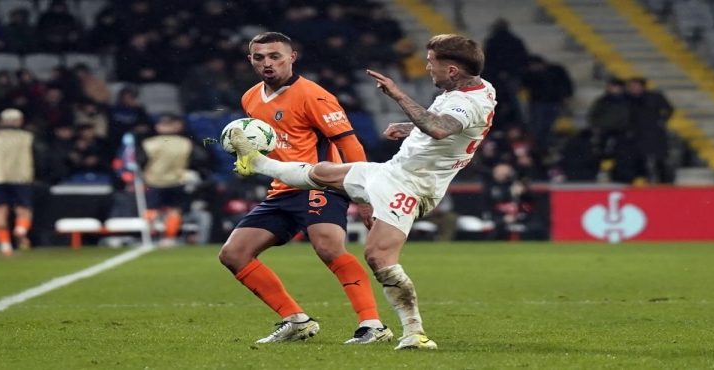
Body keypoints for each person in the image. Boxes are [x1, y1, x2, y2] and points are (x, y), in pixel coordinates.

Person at [230, 34, 496, 350]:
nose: (426, 67)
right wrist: (410, 128)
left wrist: (398, 95)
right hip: (391, 172)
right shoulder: (476, 88)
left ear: (452, 70)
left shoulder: (466, 101)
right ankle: (257, 162)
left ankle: (409, 332)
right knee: (322, 172)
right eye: (259, 57)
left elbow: (440, 127)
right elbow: (452, 128)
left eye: (431, 62)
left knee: (374, 255)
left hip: (413, 186)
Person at [217, 32, 392, 345]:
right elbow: (266, 144)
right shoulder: (250, 98)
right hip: (282, 188)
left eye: (275, 56)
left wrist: (364, 196)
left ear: (291, 57)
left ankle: (373, 325)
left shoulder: (314, 95)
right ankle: (296, 321)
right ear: (250, 61)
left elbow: (348, 143)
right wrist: (249, 159)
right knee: (234, 254)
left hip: (321, 182)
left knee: (327, 246)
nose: (267, 63)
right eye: (260, 57)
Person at [139, 115, 209, 247]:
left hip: (154, 181)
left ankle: (149, 236)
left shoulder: (149, 143)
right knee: (175, 211)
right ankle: (168, 239)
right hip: (177, 181)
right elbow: (200, 159)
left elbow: (140, 161)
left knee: (151, 209)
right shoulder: (185, 143)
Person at [0, 109, 37, 255]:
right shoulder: (28, 138)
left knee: (0, 211)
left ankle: (5, 246)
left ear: (2, 122)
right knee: (23, 210)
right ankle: (20, 230)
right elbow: (38, 157)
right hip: (21, 178)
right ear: (20, 121)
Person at [626, 77, 673, 184]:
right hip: (637, 133)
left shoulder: (654, 97)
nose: (633, 88)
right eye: (632, 86)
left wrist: (661, 120)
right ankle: (642, 181)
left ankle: (663, 183)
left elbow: (669, 109)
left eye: (636, 86)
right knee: (639, 159)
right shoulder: (627, 99)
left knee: (659, 159)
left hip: (654, 132)